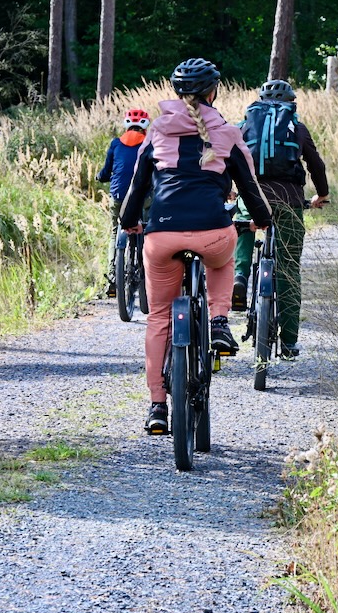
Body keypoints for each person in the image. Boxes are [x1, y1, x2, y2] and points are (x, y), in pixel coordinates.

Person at [120, 58, 272, 435]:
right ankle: (219, 322)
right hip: (212, 232)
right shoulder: (227, 132)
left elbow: (137, 187)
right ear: (213, 92)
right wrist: (263, 219)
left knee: (158, 320)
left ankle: (157, 407)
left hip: (162, 235)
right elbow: (249, 187)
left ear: (177, 93)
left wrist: (130, 222)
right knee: (223, 256)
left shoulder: (156, 132)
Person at [232, 79, 329, 359]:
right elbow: (316, 165)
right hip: (289, 201)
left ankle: (240, 274)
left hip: (252, 196)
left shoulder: (244, 126)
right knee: (288, 268)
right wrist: (320, 195)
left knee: (243, 223)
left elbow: (228, 158)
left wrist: (229, 189)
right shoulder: (297, 128)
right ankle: (288, 341)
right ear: (291, 104)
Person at [97, 108, 151, 297]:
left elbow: (106, 171)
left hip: (119, 197)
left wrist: (100, 176)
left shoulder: (115, 144)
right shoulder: (149, 144)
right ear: (145, 127)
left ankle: (113, 278)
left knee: (115, 232)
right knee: (148, 230)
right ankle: (148, 274)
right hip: (143, 198)